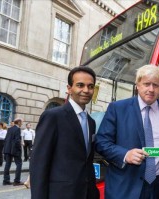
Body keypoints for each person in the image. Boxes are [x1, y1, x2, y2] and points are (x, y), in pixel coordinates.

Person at [96, 64, 159, 199]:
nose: (151, 89)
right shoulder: (117, 108)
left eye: (156, 85)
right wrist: (125, 154)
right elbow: (101, 142)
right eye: (146, 84)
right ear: (137, 85)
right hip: (127, 186)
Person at [30, 66, 100, 199]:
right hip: (61, 194)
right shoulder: (53, 116)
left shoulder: (91, 122)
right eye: (80, 85)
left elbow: (86, 161)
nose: (86, 90)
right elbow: (39, 163)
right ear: (69, 88)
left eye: (90, 86)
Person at [3, 118, 23, 186]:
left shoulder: (10, 129)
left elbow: (6, 139)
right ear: (19, 122)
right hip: (14, 149)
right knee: (19, 164)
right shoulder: (17, 129)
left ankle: (6, 181)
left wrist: (5, 149)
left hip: (8, 149)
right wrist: (19, 148)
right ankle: (17, 181)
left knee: (7, 164)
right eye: (22, 122)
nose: (22, 123)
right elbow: (17, 140)